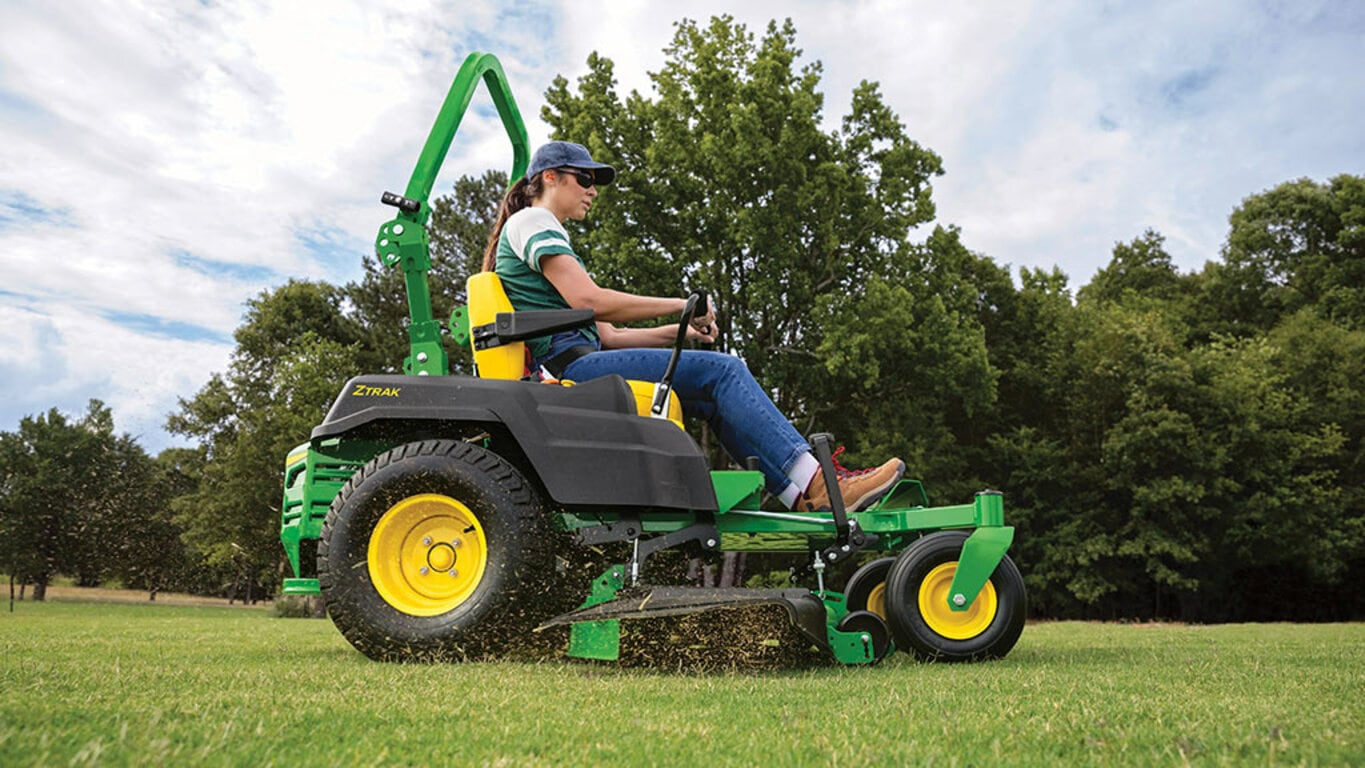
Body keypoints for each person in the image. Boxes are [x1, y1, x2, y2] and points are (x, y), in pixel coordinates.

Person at [480, 140, 904, 513]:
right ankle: (822, 484)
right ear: (550, 177)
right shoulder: (534, 222)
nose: (592, 189)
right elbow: (587, 301)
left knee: (713, 391)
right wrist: (683, 303)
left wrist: (684, 331)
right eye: (584, 177)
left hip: (582, 362)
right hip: (571, 370)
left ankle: (800, 496)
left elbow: (610, 337)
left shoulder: (538, 231)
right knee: (725, 372)